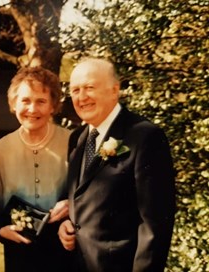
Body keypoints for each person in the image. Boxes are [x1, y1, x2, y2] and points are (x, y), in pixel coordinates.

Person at [58, 58, 176, 271]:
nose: (81, 97)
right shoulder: (77, 139)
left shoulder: (145, 136)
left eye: (89, 87)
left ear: (114, 90)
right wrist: (66, 223)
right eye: (75, 90)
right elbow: (83, 198)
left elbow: (155, 224)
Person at [0, 66, 72, 271]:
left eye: (41, 101)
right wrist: (0, 230)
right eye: (25, 100)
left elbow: (87, 196)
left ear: (53, 106)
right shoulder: (0, 149)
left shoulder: (72, 142)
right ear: (13, 104)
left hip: (65, 250)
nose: (32, 109)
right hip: (19, 252)